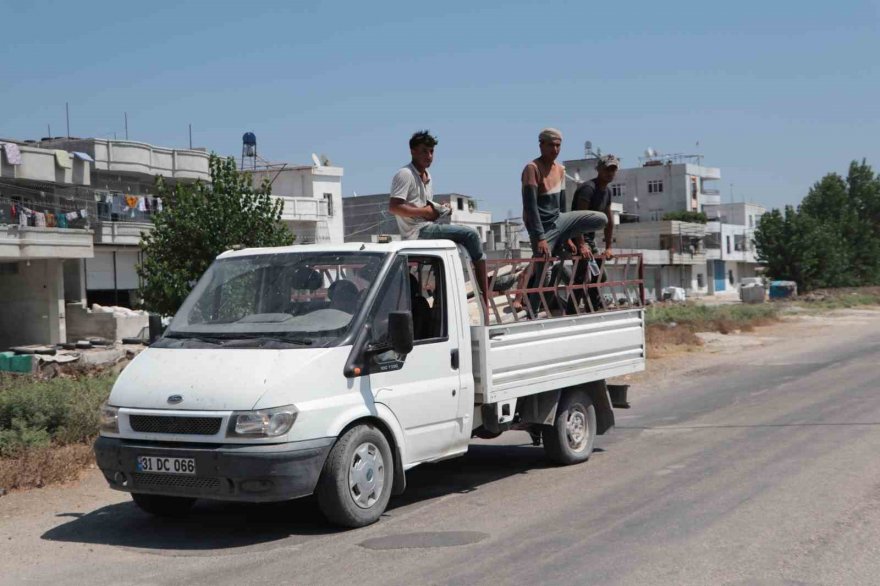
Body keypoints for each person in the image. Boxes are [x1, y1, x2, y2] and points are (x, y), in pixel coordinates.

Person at [388, 130, 489, 304]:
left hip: (425, 226)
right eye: (424, 151)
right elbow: (394, 207)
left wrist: (439, 209)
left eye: (431, 151)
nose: (429, 156)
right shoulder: (405, 174)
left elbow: (425, 209)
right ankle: (484, 294)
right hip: (416, 232)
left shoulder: (427, 176)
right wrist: (425, 212)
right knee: (472, 235)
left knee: (462, 242)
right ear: (413, 151)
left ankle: (475, 288)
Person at [519, 128, 607, 314]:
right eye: (551, 145)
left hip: (560, 221)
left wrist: (569, 235)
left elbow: (563, 208)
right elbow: (530, 207)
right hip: (543, 228)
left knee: (601, 219)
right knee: (545, 272)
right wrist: (540, 237)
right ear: (541, 145)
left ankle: (562, 241)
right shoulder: (532, 169)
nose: (555, 149)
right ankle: (532, 313)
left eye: (558, 145)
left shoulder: (560, 170)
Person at [571, 154, 620, 310]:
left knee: (597, 274)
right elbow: (578, 218)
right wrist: (581, 244)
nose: (610, 173)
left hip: (589, 239)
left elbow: (609, 220)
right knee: (580, 275)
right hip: (574, 236)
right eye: (607, 169)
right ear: (599, 169)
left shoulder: (607, 191)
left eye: (613, 170)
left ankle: (593, 306)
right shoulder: (588, 189)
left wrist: (608, 247)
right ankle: (572, 311)